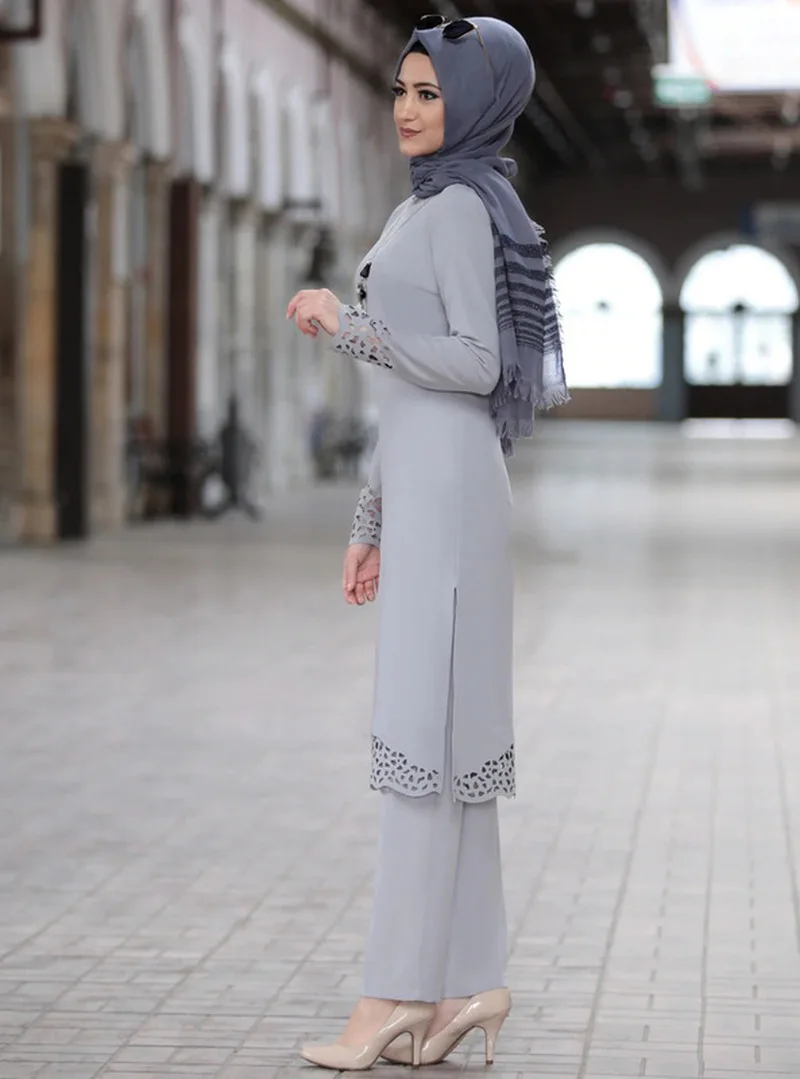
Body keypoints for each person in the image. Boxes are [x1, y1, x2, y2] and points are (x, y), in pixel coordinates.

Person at [286, 14, 567, 1072]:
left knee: (423, 743)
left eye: (429, 92)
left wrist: (343, 321)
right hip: (426, 487)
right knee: (443, 751)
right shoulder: (435, 201)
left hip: (450, 496)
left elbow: (474, 364)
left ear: (476, 101)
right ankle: (464, 983)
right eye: (401, 90)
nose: (406, 108)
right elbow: (408, 394)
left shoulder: (455, 208)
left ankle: (392, 994)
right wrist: (371, 520)